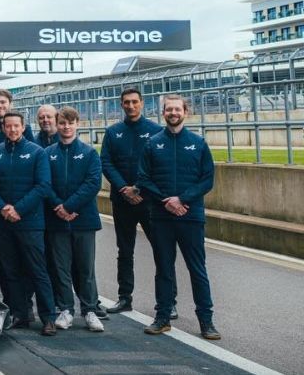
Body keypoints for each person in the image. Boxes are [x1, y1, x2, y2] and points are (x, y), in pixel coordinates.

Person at [138, 94, 219, 340]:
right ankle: (162, 318)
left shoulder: (198, 143)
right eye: (168, 109)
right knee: (164, 269)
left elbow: (207, 179)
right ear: (163, 113)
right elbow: (143, 179)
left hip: (190, 216)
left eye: (177, 109)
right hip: (162, 217)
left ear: (185, 111)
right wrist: (167, 201)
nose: (173, 113)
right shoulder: (152, 144)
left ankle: (206, 321)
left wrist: (182, 200)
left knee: (197, 269)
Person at [0, 112, 57, 336]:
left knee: (38, 271)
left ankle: (48, 318)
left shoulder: (37, 152)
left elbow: (43, 186)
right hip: (2, 223)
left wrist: (18, 209)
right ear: (4, 128)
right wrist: (3, 208)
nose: (13, 130)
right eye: (9, 126)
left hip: (30, 223)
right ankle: (19, 314)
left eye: (17, 126)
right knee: (10, 271)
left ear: (24, 127)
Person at [100, 87, 171, 316]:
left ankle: (169, 302)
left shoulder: (156, 131)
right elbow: (107, 163)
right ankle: (124, 298)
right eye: (126, 102)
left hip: (149, 200)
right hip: (122, 201)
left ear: (141, 103)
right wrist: (124, 189)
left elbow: (158, 165)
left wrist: (138, 188)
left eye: (134, 102)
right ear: (121, 105)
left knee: (161, 250)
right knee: (125, 251)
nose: (130, 106)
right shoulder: (113, 133)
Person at [43, 106, 104, 332]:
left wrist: (69, 206)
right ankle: (66, 309)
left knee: (85, 268)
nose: (66, 127)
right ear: (57, 125)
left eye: (70, 122)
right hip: (56, 220)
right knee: (61, 268)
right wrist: (58, 206)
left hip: (83, 219)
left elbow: (92, 183)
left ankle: (89, 310)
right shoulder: (48, 153)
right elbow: (44, 183)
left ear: (77, 123)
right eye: (62, 122)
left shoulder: (89, 153)